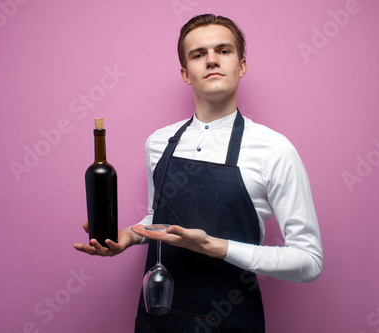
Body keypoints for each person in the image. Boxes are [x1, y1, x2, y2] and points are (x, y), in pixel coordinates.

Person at [74, 14, 323, 332]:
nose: (211, 61)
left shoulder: (274, 149)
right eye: (198, 54)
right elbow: (159, 218)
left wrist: (215, 246)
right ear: (185, 73)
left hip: (231, 319)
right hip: (159, 317)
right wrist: (129, 236)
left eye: (223, 51)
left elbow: (309, 260)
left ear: (241, 66)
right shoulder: (158, 142)